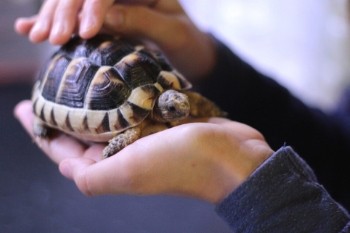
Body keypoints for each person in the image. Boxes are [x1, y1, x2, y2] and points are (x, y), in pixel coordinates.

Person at [14, 0, 350, 232]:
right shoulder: (159, 101)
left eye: (178, 106)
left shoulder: (151, 115)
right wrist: (205, 58)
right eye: (175, 107)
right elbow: (339, 156)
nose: (182, 109)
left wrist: (247, 180)